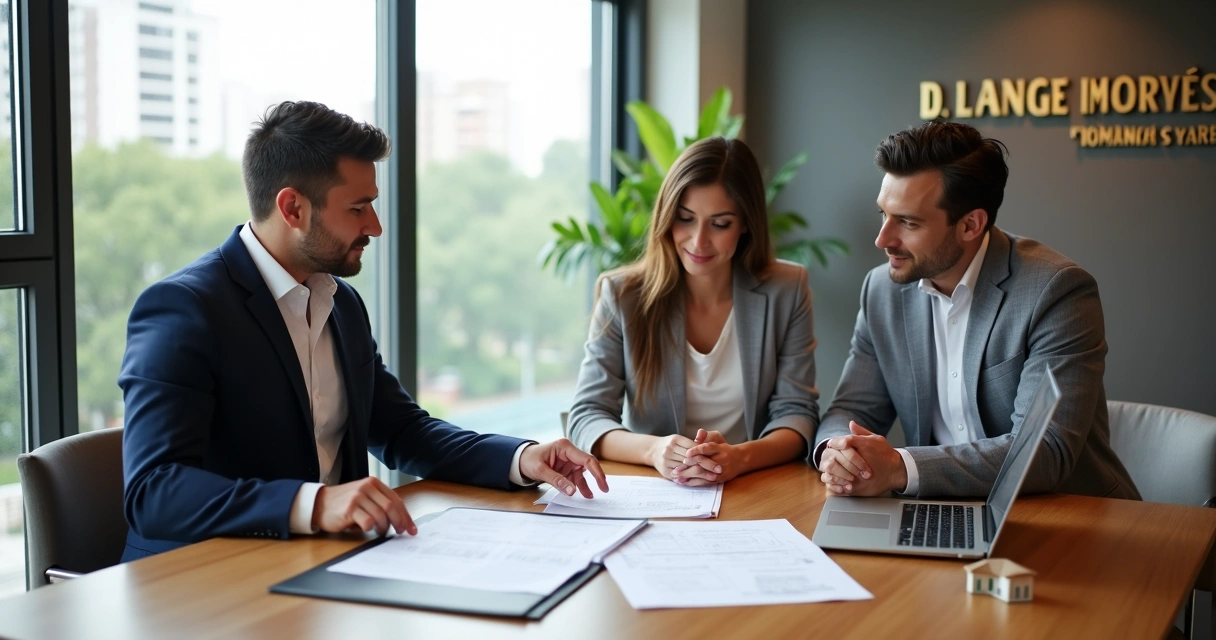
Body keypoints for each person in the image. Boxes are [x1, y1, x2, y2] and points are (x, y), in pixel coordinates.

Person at [118, 101, 607, 561]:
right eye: (358, 208)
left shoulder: (340, 302)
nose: (374, 226)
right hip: (206, 582)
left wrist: (521, 458)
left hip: (328, 564)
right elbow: (154, 490)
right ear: (293, 209)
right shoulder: (184, 309)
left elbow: (401, 430)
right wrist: (315, 505)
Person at [814, 120, 1139, 500]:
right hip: (936, 510)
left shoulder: (1056, 291)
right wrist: (837, 453)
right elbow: (852, 408)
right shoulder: (882, 290)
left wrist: (901, 468)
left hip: (1064, 515)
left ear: (971, 225)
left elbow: (1044, 449)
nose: (883, 238)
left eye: (907, 222)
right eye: (883, 214)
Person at [568, 137, 819, 486]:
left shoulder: (787, 289)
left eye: (720, 224)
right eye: (685, 219)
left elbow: (797, 414)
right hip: (656, 491)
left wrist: (739, 457)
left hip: (753, 487)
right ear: (667, 216)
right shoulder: (623, 295)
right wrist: (654, 451)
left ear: (746, 223)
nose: (698, 241)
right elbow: (586, 416)